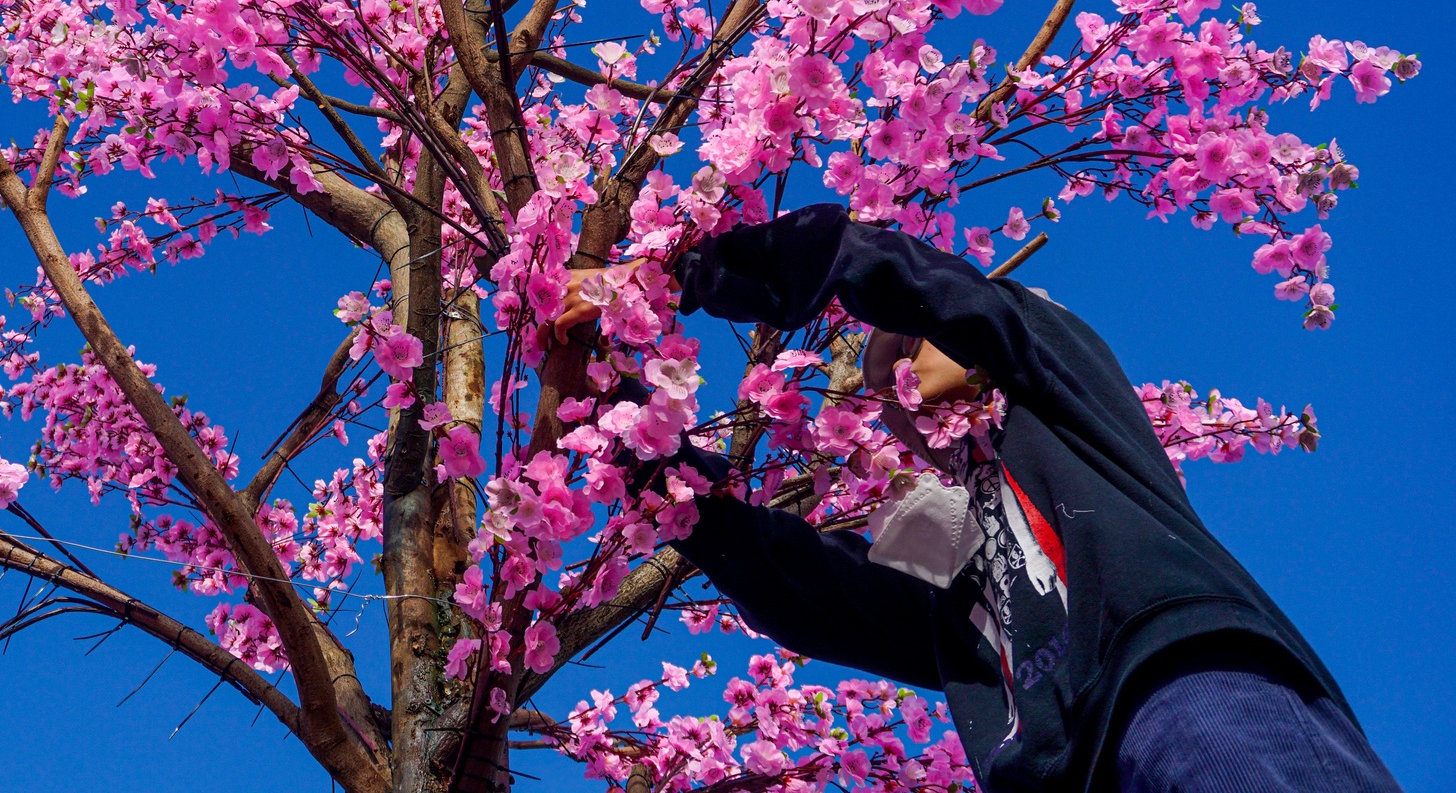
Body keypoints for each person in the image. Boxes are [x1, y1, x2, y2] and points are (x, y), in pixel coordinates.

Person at [553, 203, 1400, 793]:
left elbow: (918, 282)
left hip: (1181, 689)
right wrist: (624, 435)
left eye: (907, 347)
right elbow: (803, 585)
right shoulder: (950, 538)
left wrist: (683, 276)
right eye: (880, 381)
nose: (893, 380)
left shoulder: (1063, 399)